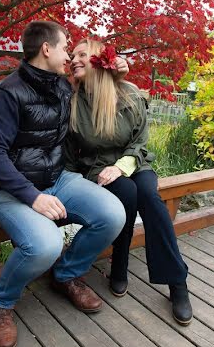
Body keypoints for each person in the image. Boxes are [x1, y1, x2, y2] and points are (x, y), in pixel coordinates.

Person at [0, 21, 127, 347]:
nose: (69, 55)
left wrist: (117, 67)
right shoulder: (6, 93)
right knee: (45, 243)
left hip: (55, 180)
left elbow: (97, 77)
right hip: (9, 192)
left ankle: (66, 274)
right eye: (64, 48)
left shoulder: (62, 87)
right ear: (46, 49)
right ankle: (0, 303)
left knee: (112, 213)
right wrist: (32, 197)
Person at [66, 38, 193, 325]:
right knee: (125, 193)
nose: (74, 59)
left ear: (101, 61)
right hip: (97, 169)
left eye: (82, 55)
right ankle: (119, 265)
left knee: (149, 197)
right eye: (72, 55)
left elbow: (141, 141)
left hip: (133, 162)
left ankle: (177, 282)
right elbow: (69, 153)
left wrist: (121, 166)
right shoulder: (72, 102)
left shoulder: (128, 94)